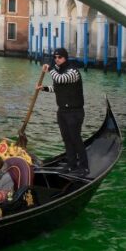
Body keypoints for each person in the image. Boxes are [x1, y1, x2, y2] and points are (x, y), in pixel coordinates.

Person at [38, 48, 88, 176]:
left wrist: (49, 68)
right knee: (67, 139)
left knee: (75, 139)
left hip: (74, 112)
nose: (56, 59)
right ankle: (71, 164)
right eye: (55, 57)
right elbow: (57, 88)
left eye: (59, 57)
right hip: (62, 111)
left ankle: (84, 166)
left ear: (65, 58)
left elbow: (61, 79)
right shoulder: (59, 71)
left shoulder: (73, 71)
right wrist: (43, 88)